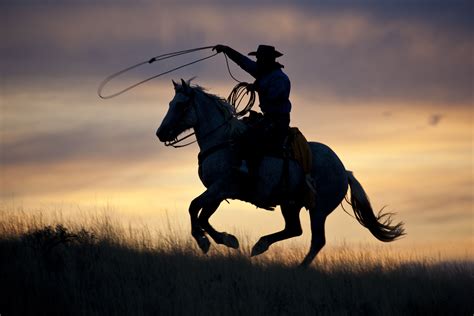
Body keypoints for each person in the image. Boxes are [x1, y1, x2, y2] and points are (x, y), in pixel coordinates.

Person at [213, 44, 292, 173]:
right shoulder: (263, 71)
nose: (257, 61)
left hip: (278, 120)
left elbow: (275, 96)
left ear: (266, 60)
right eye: (257, 58)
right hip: (268, 117)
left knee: (251, 136)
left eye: (259, 58)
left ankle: (250, 169)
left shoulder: (280, 78)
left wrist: (257, 87)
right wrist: (226, 49)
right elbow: (243, 62)